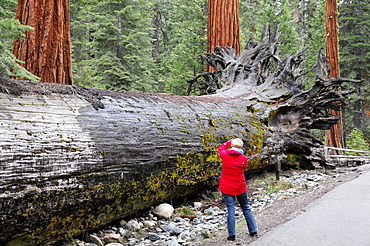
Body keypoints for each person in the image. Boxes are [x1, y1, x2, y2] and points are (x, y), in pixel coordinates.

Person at [218, 138, 258, 241]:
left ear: (232, 145)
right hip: (240, 186)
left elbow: (221, 147)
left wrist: (228, 141)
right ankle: (253, 230)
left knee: (231, 210)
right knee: (245, 207)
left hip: (227, 187)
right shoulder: (244, 159)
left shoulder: (225, 155)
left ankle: (232, 235)